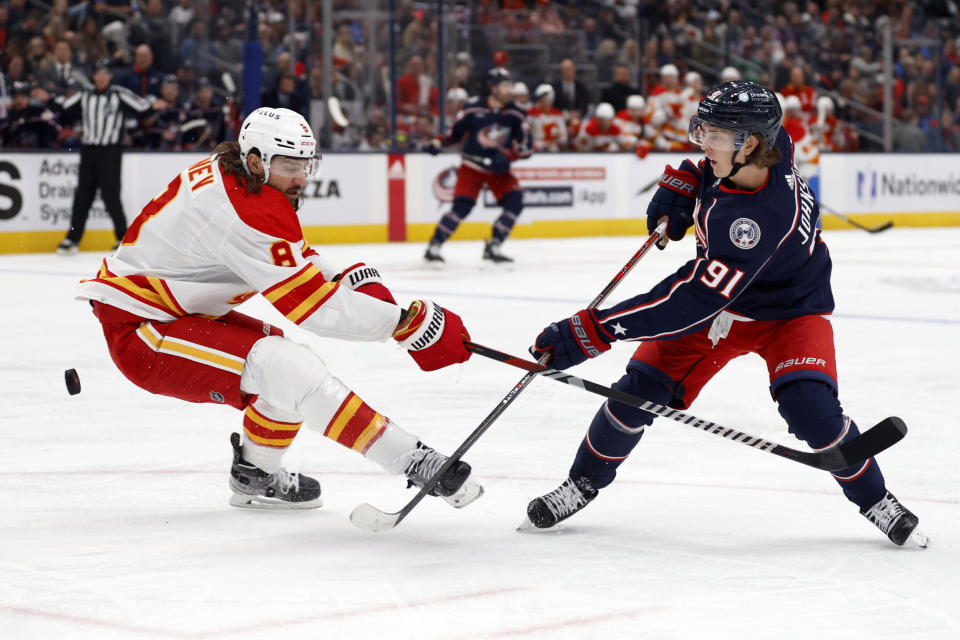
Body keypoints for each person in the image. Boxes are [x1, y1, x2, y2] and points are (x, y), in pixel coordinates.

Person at [523, 81, 926, 548]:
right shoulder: (776, 144)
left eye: (714, 135)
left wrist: (596, 330)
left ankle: (876, 498)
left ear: (750, 143)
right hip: (727, 304)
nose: (702, 142)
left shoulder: (753, 222)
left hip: (789, 313)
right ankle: (582, 483)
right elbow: (714, 182)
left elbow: (691, 300)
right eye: (705, 131)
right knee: (637, 392)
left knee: (812, 411)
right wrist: (693, 180)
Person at [73, 107, 483, 511]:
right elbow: (313, 307)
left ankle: (255, 473)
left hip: (175, 313)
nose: (301, 177)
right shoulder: (243, 211)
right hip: (142, 333)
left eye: (307, 164)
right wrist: (404, 325)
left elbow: (296, 256)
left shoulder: (241, 179)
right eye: (290, 165)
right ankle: (414, 460)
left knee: (281, 368)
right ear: (256, 160)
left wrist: (345, 281)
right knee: (286, 367)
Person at [55, 60, 166, 254]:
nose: (101, 77)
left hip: (110, 151)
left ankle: (122, 238)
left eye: (104, 74)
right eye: (98, 74)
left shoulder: (118, 94)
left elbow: (141, 108)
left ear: (110, 76)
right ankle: (72, 239)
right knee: (83, 196)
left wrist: (154, 104)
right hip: (89, 150)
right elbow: (64, 107)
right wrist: (49, 97)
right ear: (93, 76)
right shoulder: (85, 94)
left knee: (111, 195)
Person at [423, 67, 532, 264]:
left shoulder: (516, 113)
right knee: (461, 207)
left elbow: (526, 146)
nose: (510, 90)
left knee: (515, 202)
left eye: (510, 85)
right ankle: (434, 246)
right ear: (493, 88)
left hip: (499, 170)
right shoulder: (473, 109)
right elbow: (453, 136)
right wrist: (437, 143)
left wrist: (508, 156)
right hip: (473, 167)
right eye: (505, 86)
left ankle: (494, 245)